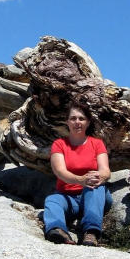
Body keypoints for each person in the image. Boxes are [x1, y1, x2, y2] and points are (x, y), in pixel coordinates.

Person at [43, 104, 112, 247]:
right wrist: (81, 180)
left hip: (94, 195)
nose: (77, 122)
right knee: (52, 200)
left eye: (81, 118)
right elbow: (59, 171)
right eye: (73, 118)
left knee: (95, 188)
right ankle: (58, 230)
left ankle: (91, 233)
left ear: (88, 122)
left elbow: (106, 170)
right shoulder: (60, 144)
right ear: (67, 122)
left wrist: (99, 177)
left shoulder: (97, 143)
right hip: (68, 197)